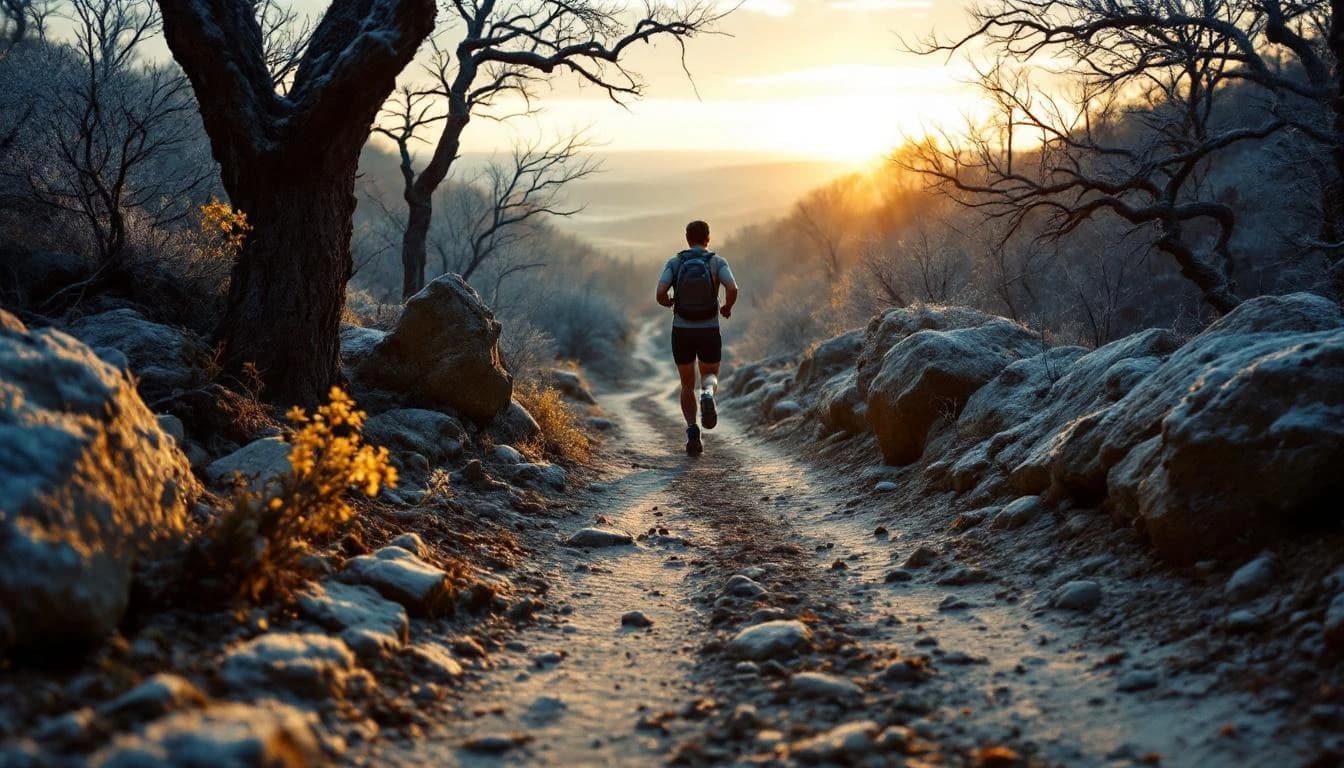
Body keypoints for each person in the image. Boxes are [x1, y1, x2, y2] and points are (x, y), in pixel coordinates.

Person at [656, 220, 738, 455]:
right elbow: (733, 288)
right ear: (708, 239)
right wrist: (727, 308)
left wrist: (668, 302)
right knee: (709, 376)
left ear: (687, 238)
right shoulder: (717, 261)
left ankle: (693, 430)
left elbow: (660, 292)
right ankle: (708, 394)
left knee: (686, 384)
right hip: (709, 329)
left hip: (682, 330)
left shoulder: (675, 262)